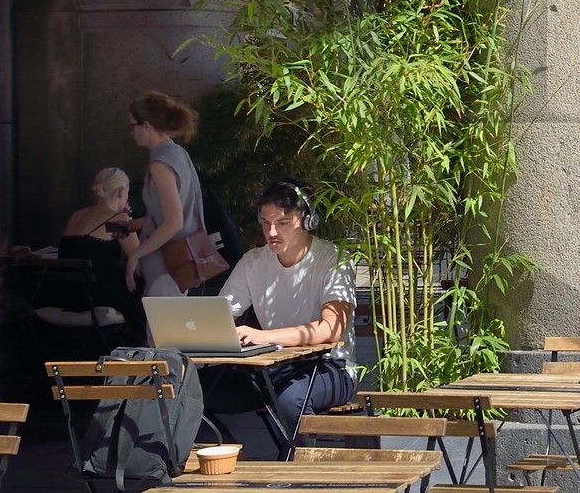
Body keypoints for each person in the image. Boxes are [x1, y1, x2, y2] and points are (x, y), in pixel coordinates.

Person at [211, 178, 356, 430]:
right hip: (271, 368)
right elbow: (217, 317)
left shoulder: (334, 260)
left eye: (283, 223)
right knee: (196, 390)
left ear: (308, 221)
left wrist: (263, 337)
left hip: (331, 367)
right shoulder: (253, 262)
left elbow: (331, 329)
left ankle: (297, 467)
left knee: (290, 401)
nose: (272, 232)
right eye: (266, 223)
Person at [123, 91, 209, 296]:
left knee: (162, 326)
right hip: (180, 261)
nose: (130, 132)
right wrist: (135, 224)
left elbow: (173, 222)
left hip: (167, 264)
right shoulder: (178, 154)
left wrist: (135, 254)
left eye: (132, 125)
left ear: (147, 125)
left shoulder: (161, 163)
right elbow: (176, 214)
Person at [58, 167, 144, 337]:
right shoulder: (119, 219)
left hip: (67, 297)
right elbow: (140, 264)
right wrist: (127, 219)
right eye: (127, 192)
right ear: (120, 192)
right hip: (98, 299)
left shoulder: (76, 215)